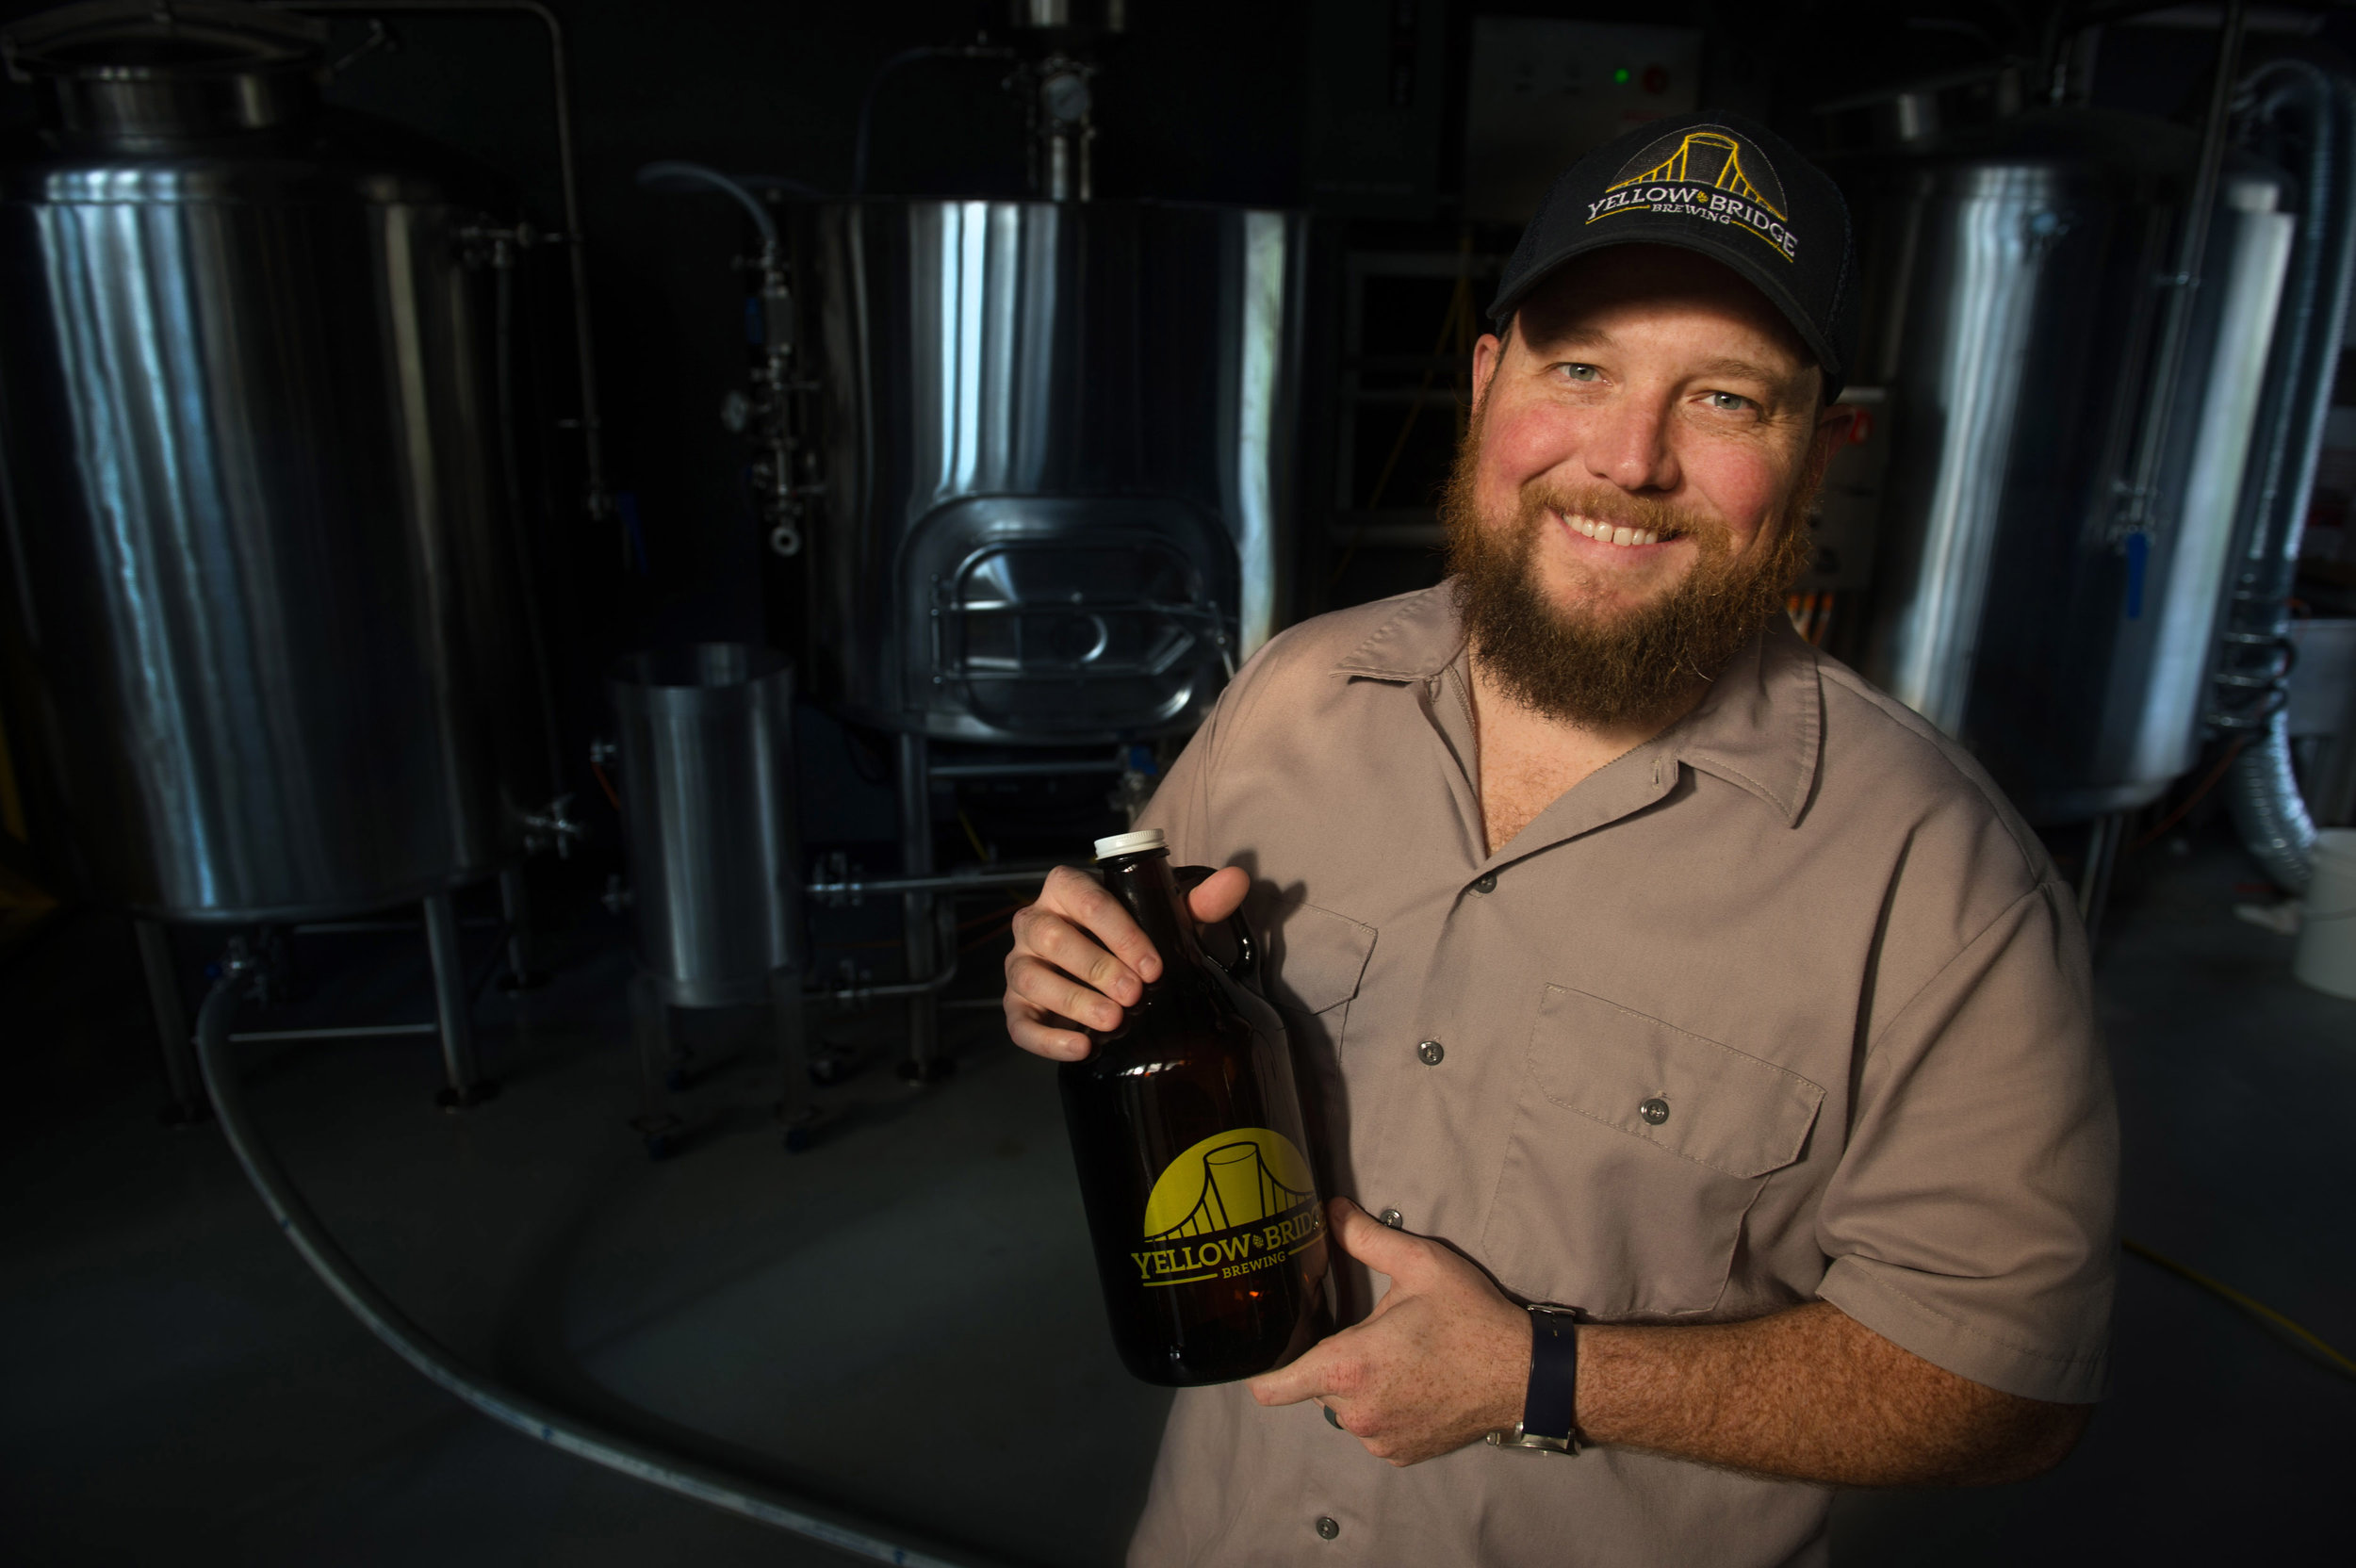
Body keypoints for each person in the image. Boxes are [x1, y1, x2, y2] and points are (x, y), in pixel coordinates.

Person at [1002, 111, 2117, 1568]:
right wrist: (1078, 982)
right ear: (1488, 382)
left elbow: (2004, 1394)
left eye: (1725, 400)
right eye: (1579, 368)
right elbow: (1156, 1019)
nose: (1627, 458)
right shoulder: (1298, 696)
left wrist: (1540, 1374)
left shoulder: (1941, 884)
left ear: (1821, 450)